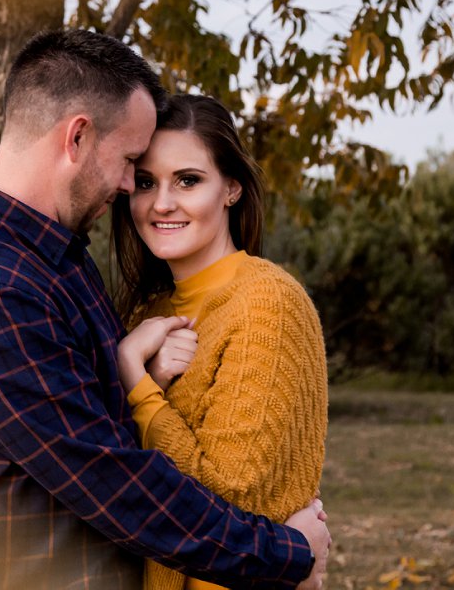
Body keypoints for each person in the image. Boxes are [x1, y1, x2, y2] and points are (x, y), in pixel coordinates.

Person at [0, 28, 330, 590]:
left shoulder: (54, 257)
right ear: (77, 137)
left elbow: (98, 420)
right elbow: (109, 477)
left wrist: (140, 377)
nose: (135, 189)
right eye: (133, 163)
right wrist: (285, 556)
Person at [111, 94, 329, 590]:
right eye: (146, 182)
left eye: (188, 180)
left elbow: (226, 494)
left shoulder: (267, 303)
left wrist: (135, 378)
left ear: (231, 189)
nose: (161, 203)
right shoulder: (147, 312)